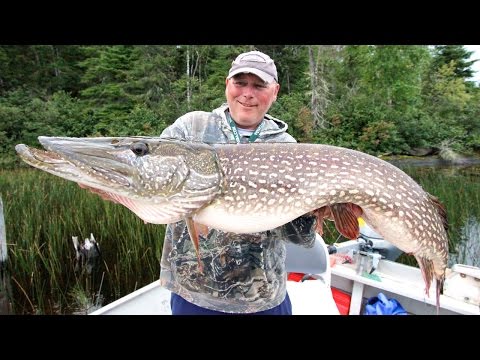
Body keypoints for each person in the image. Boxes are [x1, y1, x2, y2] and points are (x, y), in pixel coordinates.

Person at [159, 50, 317, 315]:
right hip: (195, 296)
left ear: (275, 91)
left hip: (263, 299)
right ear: (227, 84)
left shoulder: (287, 149)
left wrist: (314, 211)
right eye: (240, 82)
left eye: (258, 85)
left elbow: (299, 237)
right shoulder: (191, 128)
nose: (247, 93)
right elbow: (156, 184)